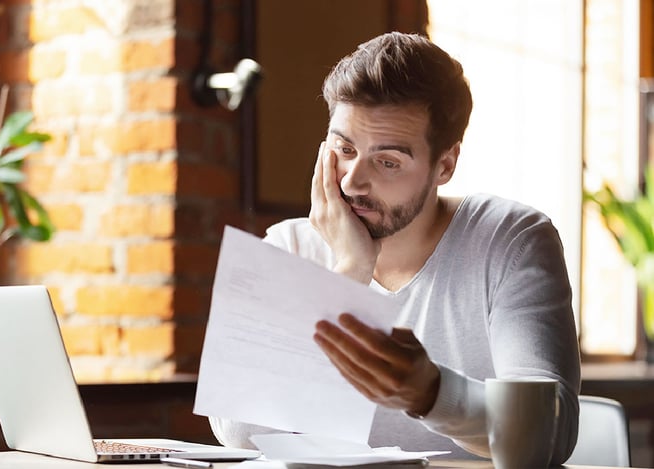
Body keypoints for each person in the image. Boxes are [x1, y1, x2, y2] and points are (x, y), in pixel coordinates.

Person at [209, 31, 580, 463]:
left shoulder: (511, 239)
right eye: (344, 148)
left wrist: (432, 394)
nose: (351, 181)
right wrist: (347, 272)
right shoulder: (289, 244)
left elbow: (550, 432)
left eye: (387, 162)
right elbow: (237, 429)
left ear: (445, 165)